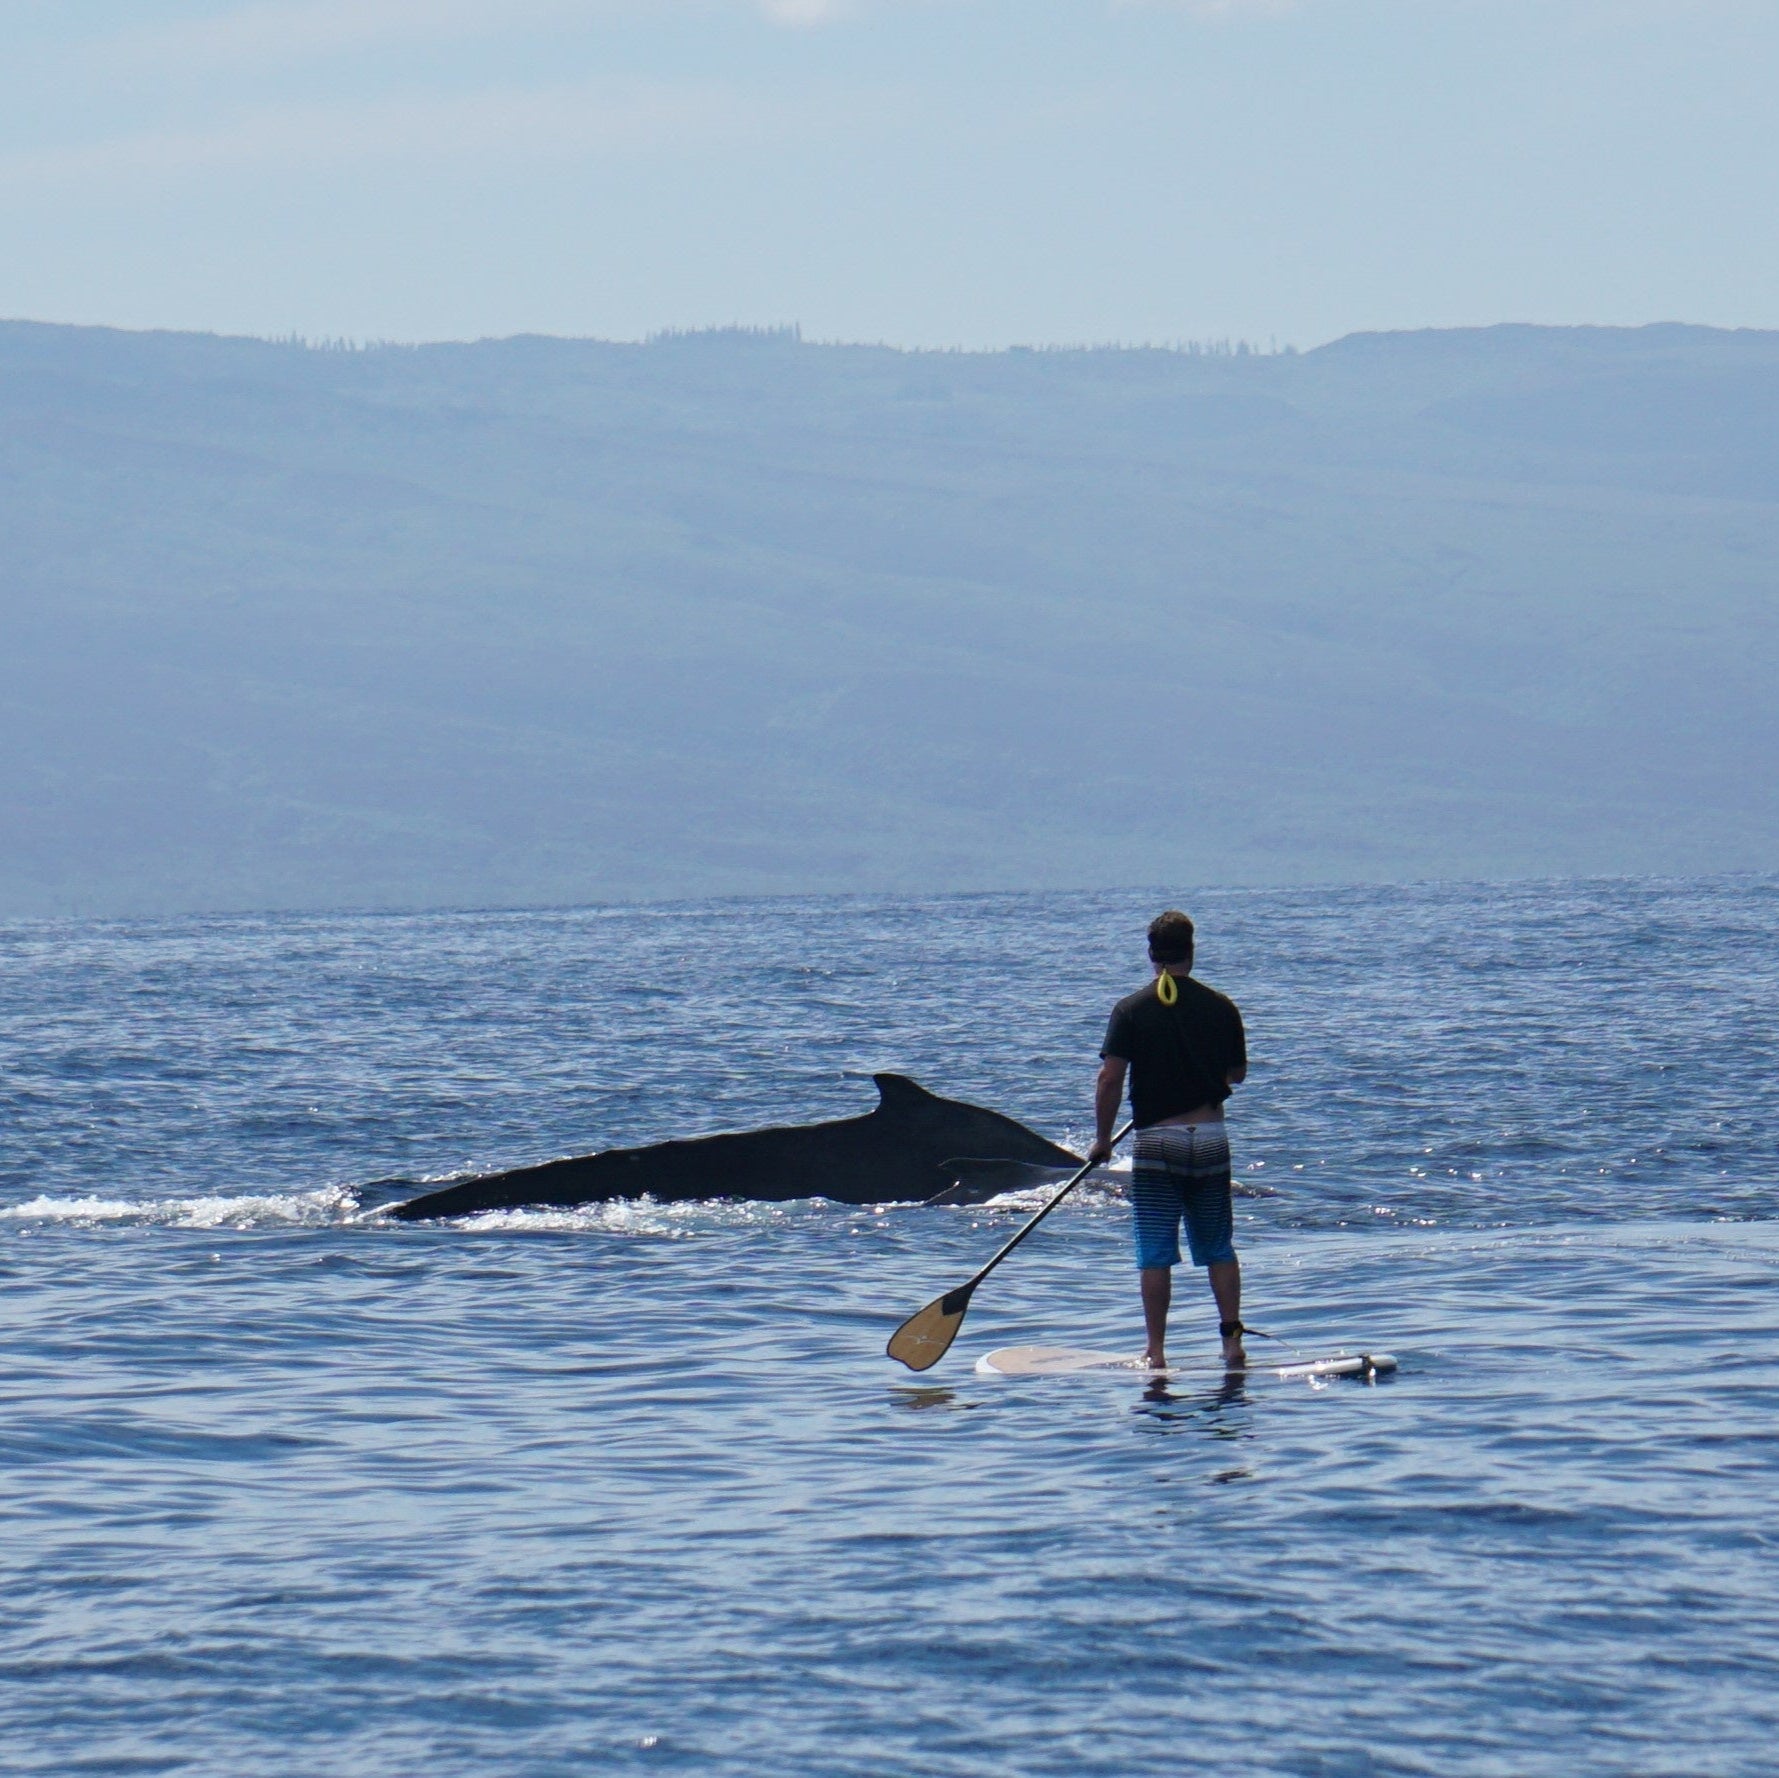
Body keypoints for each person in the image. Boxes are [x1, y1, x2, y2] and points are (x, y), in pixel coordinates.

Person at [1086, 910, 1248, 1369]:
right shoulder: (1221, 1006)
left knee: (1155, 1251)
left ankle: (1155, 1352)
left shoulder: (1131, 1009)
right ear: (1191, 953)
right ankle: (1231, 1344)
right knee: (1217, 1247)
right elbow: (1236, 1074)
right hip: (1211, 1138)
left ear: (1152, 956)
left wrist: (1102, 1140)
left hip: (1158, 1142)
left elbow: (1109, 1079)